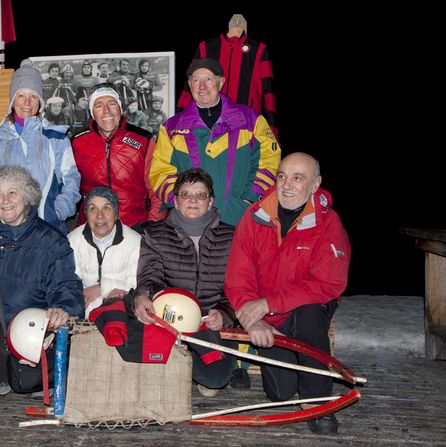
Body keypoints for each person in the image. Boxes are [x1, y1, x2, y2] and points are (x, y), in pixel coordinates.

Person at [224, 152, 351, 434]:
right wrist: (253, 319)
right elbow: (237, 276)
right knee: (279, 394)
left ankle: (318, 403)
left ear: (315, 184)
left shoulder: (327, 223)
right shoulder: (255, 216)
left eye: (298, 178)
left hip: (305, 306)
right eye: (282, 176)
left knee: (309, 317)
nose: (287, 184)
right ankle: (292, 357)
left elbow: (329, 283)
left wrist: (269, 303)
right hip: (267, 316)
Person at [0, 165, 84, 397]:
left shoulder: (51, 240)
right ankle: (2, 373)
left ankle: (36, 371)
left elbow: (66, 284)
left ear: (27, 196)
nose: (5, 200)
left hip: (34, 324)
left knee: (37, 358)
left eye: (13, 192)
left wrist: (63, 309)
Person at [130, 168, 238, 397]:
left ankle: (183, 365)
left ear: (210, 202)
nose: (193, 200)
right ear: (176, 201)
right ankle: (177, 360)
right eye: (186, 194)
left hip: (209, 322)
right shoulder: (155, 233)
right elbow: (150, 275)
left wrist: (225, 314)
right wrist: (142, 297)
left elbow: (238, 288)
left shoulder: (232, 237)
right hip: (170, 319)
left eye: (200, 195)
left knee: (216, 379)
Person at [150, 57, 280, 227]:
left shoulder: (251, 120)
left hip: (239, 219)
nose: (202, 86)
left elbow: (270, 162)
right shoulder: (172, 128)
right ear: (190, 85)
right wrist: (182, 202)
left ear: (221, 83)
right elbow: (160, 172)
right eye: (196, 80)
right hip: (190, 224)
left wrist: (249, 198)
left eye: (208, 79)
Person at [0, 59, 81, 234]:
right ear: (12, 100)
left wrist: (56, 211)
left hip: (45, 228)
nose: (27, 102)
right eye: (21, 95)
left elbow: (71, 179)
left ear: (40, 101)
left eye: (33, 96)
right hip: (4, 229)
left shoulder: (55, 137)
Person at [71, 84, 164, 230]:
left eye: (112, 103)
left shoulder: (143, 140)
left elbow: (158, 189)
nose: (106, 111)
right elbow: (70, 186)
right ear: (92, 112)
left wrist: (152, 225)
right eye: (99, 105)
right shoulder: (77, 142)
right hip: (92, 228)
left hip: (134, 226)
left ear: (120, 108)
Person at [176, 14, 278, 137]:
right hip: (209, 124)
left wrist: (272, 130)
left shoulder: (259, 50)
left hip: (247, 126)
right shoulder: (205, 47)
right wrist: (178, 119)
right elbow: (189, 86)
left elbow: (269, 93)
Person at [67, 186, 142, 317]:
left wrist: (101, 288)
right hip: (84, 316)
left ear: (116, 213)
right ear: (86, 214)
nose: (99, 215)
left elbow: (136, 286)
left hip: (122, 314)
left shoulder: (135, 241)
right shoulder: (73, 240)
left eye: (106, 208)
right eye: (93, 208)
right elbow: (69, 284)